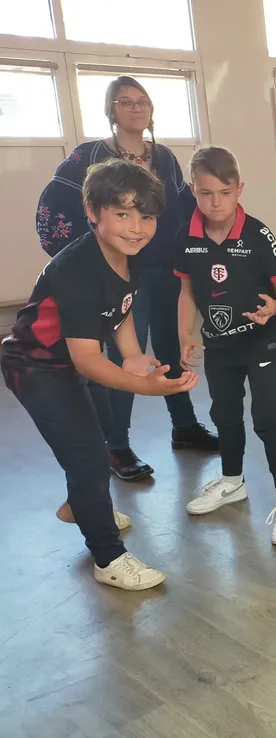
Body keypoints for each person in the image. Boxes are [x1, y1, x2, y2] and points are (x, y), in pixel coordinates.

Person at [4, 160, 199, 590]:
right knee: (90, 454)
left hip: (69, 360)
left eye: (146, 216)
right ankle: (109, 558)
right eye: (122, 214)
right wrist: (146, 386)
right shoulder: (76, 269)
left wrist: (131, 355)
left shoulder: (130, 253)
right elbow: (87, 361)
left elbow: (120, 307)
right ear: (92, 212)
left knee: (97, 437)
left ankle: (81, 503)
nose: (136, 227)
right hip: (36, 367)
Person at [36, 75, 216, 482]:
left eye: (142, 101)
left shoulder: (166, 157)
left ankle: (184, 425)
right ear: (111, 110)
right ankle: (116, 445)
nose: (135, 108)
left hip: (164, 268)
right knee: (121, 356)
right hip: (119, 275)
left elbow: (185, 209)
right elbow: (52, 205)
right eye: (124, 101)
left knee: (170, 347)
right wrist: (82, 259)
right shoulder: (89, 156)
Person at [175, 147, 276, 545]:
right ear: (193, 190)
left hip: (260, 341)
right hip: (219, 346)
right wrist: (185, 334)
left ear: (239, 189)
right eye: (205, 193)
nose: (215, 203)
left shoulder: (258, 233)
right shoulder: (187, 235)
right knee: (224, 415)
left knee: (268, 418)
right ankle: (232, 481)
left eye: (225, 193)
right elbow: (186, 291)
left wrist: (273, 309)